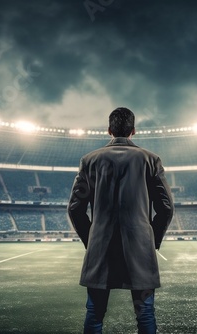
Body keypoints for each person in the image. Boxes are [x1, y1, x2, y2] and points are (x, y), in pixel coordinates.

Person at [68, 107, 174, 334]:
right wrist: (151, 239)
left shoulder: (89, 161)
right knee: (145, 313)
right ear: (133, 131)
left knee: (95, 313)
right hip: (140, 250)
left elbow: (75, 209)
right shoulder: (151, 160)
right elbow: (166, 208)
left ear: (109, 130)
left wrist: (91, 239)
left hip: (101, 249)